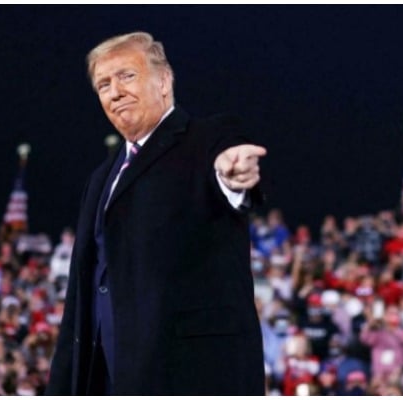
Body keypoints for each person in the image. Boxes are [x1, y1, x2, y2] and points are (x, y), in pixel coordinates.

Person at [45, 31, 267, 395]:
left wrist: (234, 177)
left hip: (190, 375)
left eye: (126, 76)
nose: (114, 91)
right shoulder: (101, 178)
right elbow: (81, 296)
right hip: (107, 379)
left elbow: (230, 168)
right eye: (103, 84)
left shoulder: (206, 137)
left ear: (164, 81)